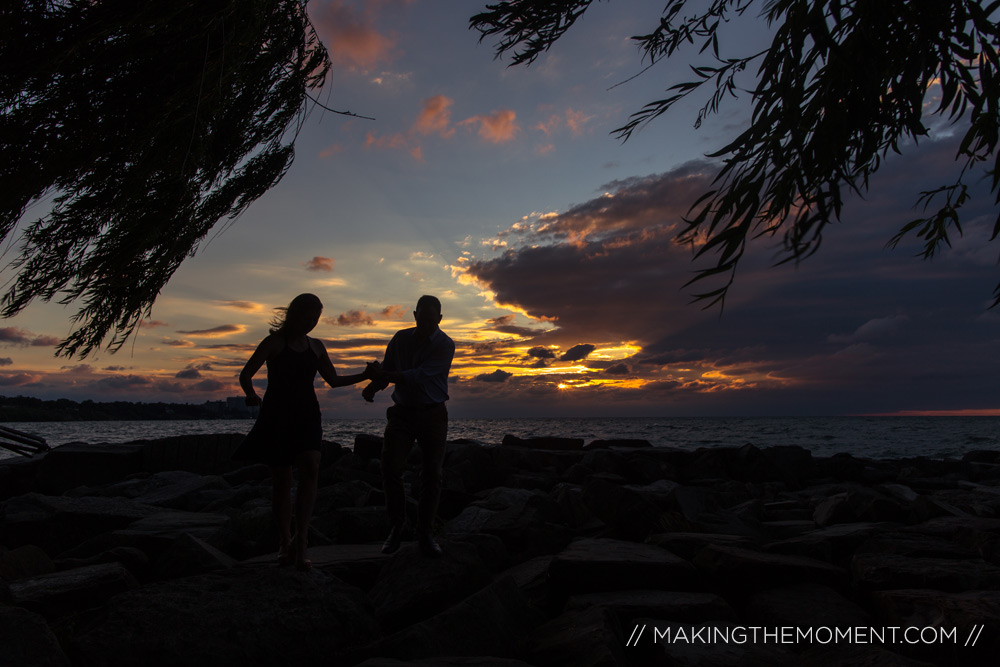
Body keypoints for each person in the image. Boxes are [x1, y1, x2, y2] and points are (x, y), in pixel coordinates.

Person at [235, 293, 374, 571]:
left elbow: (333, 380)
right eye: (306, 318)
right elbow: (246, 374)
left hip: (308, 414)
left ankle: (302, 542)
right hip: (277, 416)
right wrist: (250, 394)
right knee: (282, 480)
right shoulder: (275, 342)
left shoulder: (316, 346)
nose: (310, 324)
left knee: (311, 467)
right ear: (293, 315)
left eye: (315, 319)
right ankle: (285, 542)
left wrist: (366, 375)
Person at [362, 295, 455, 557]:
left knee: (432, 474)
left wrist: (382, 376)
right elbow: (390, 370)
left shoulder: (445, 345)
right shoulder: (400, 339)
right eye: (421, 317)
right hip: (402, 413)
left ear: (439, 319)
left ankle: (425, 532)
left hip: (433, 414)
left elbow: (418, 376)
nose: (425, 323)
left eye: (431, 319)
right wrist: (374, 384)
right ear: (415, 315)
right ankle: (396, 527)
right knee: (390, 467)